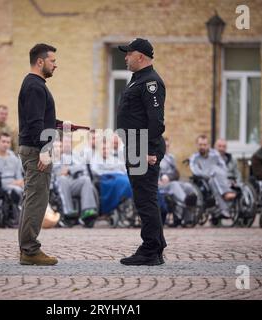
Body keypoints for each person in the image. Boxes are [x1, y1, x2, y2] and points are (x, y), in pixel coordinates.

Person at [116, 38, 166, 266]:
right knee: (145, 199)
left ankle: (149, 250)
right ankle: (156, 247)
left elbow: (156, 123)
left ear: (140, 56)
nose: (125, 57)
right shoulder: (138, 80)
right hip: (135, 147)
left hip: (143, 149)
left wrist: (145, 151)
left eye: (128, 53)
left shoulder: (150, 83)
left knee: (146, 200)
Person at [17, 43, 59, 266]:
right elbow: (34, 124)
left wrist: (59, 124)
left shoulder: (34, 85)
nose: (56, 65)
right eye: (52, 61)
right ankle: (30, 250)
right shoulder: (35, 86)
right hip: (36, 151)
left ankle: (27, 248)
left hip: (34, 148)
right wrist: (44, 151)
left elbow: (40, 119)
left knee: (32, 199)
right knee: (36, 201)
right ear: (40, 62)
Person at [51, 138, 98, 226]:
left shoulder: (72, 156)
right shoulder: (52, 158)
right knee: (62, 179)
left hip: (71, 183)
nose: (67, 144)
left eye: (69, 142)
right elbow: (53, 172)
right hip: (57, 185)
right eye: (56, 147)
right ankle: (68, 212)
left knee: (85, 179)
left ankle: (87, 210)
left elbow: (81, 167)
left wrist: (69, 169)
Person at [189, 135, 236, 220]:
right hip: (204, 181)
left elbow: (223, 167)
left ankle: (226, 206)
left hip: (219, 178)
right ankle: (226, 197)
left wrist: (218, 174)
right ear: (197, 145)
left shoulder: (215, 154)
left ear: (208, 145)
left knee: (217, 172)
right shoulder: (194, 157)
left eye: (204, 144)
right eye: (200, 144)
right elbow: (195, 170)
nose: (202, 147)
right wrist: (209, 174)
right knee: (213, 179)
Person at [0, 133, 24, 227]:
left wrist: (20, 182)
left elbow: (19, 176)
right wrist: (13, 183)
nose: (5, 144)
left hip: (15, 184)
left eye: (8, 142)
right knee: (16, 190)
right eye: (3, 141)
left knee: (28, 190)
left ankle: (24, 218)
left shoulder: (14, 159)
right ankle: (15, 218)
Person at [158, 138, 197, 226]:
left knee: (188, 186)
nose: (166, 148)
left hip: (171, 182)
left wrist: (169, 177)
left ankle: (188, 219)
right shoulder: (155, 156)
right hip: (160, 185)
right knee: (174, 185)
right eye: (164, 145)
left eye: (167, 146)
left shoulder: (171, 157)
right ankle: (185, 201)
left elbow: (176, 173)